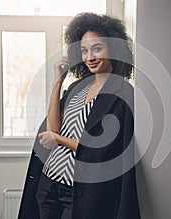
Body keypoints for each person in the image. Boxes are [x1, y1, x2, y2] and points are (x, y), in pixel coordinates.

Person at [18, 12, 140, 219]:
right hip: (49, 184)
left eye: (97, 49)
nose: (89, 58)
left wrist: (58, 140)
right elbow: (53, 129)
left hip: (80, 192)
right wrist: (58, 82)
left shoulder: (122, 93)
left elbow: (103, 151)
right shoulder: (77, 87)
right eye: (83, 51)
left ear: (114, 49)